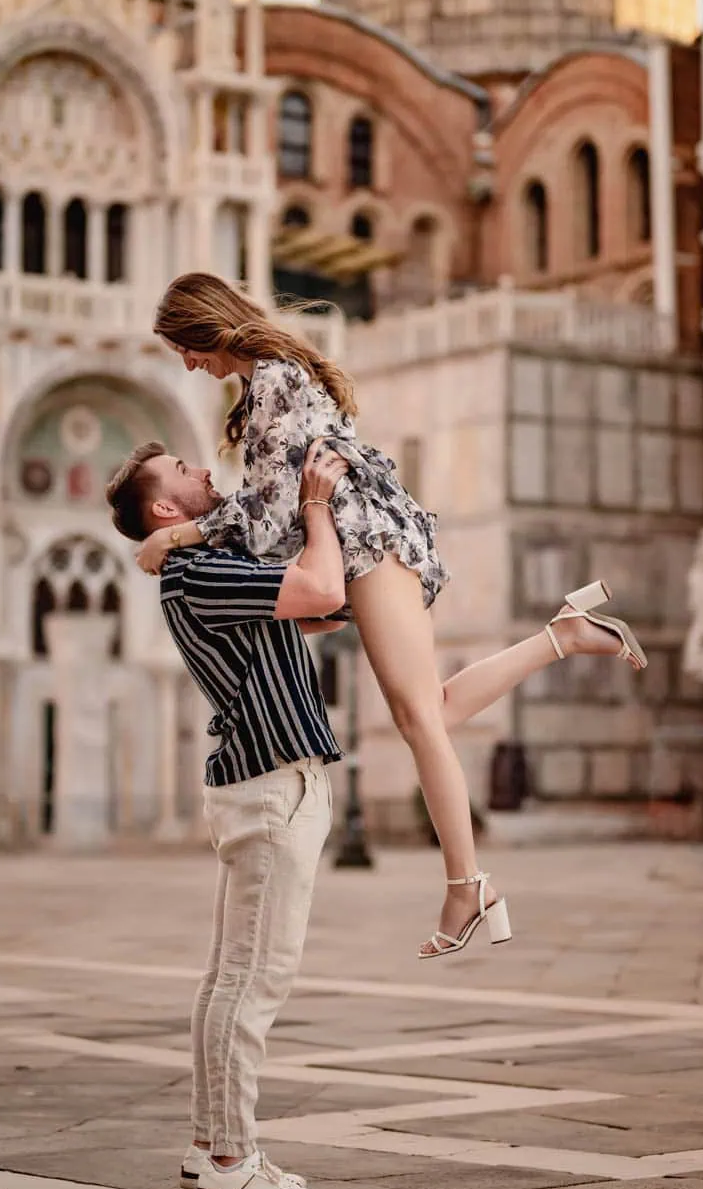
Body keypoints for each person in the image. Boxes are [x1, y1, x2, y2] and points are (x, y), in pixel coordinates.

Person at [134, 271, 648, 958]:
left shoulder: (275, 378)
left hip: (364, 541)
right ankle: (564, 636)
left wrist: (179, 534)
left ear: (201, 327)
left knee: (418, 721)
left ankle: (467, 884)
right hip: (360, 543)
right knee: (426, 710)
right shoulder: (265, 383)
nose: (188, 363)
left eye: (182, 348)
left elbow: (263, 514)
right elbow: (273, 511)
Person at [106, 436, 349, 1189]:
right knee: (254, 979)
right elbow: (319, 591)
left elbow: (314, 611)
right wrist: (315, 505)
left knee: (229, 978)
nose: (205, 470)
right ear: (163, 507)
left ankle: (212, 1149)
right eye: (184, 472)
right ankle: (231, 1158)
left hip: (267, 783)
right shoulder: (197, 571)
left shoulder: (199, 563)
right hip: (274, 784)